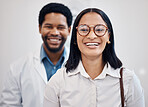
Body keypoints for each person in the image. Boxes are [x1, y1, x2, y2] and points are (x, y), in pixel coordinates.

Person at [43, 8, 145, 107]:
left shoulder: (128, 80)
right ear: (75, 38)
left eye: (99, 29)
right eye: (84, 29)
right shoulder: (58, 81)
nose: (92, 36)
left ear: (108, 36)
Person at [0, 3, 72, 107]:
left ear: (69, 30)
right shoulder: (18, 68)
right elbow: (9, 104)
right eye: (49, 26)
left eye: (60, 27)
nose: (55, 32)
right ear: (39, 28)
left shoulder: (82, 64)